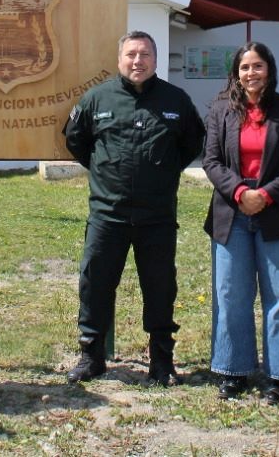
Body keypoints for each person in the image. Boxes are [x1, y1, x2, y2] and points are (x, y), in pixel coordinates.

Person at [63, 30, 205, 386]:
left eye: (144, 55)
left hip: (156, 217)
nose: (137, 61)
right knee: (95, 284)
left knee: (159, 287)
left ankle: (161, 361)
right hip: (107, 214)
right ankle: (91, 356)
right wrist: (104, 172)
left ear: (155, 60)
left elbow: (191, 143)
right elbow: (76, 140)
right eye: (130, 55)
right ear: (119, 60)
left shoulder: (176, 100)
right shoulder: (97, 99)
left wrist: (161, 172)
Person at [202, 41, 279, 405]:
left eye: (258, 66)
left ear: (270, 69)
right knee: (230, 294)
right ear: (236, 72)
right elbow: (212, 161)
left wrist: (265, 195)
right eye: (245, 67)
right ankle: (233, 370)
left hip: (276, 210)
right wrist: (239, 193)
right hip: (230, 213)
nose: (251, 73)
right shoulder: (220, 110)